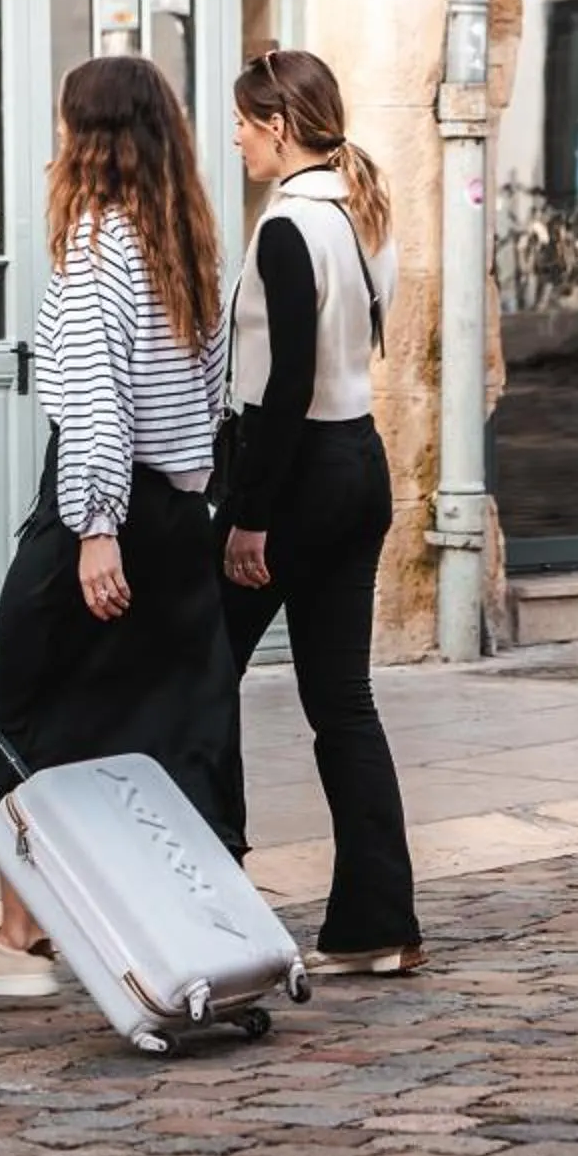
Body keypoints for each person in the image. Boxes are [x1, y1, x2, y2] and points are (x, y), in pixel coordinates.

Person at [0, 53, 234, 1006]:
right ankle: (184, 919)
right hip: (179, 511)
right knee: (161, 721)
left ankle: (22, 943)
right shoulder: (187, 241)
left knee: (24, 709)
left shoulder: (98, 241)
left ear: (85, 139)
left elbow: (97, 400)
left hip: (100, 510)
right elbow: (210, 393)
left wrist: (95, 527)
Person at [218, 48, 423, 975]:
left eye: (243, 122)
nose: (234, 139)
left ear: (278, 125)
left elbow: (285, 381)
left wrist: (249, 518)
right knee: (344, 703)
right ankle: (381, 922)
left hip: (294, 476)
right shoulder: (362, 210)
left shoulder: (289, 225)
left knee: (194, 674)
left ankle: (209, 902)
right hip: (358, 462)